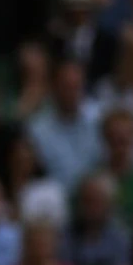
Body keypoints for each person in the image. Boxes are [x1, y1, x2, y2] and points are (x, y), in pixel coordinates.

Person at [26, 60, 102, 192]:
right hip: (57, 199)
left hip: (95, 195)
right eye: (66, 87)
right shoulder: (37, 129)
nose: (72, 93)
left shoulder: (99, 119)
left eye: (76, 87)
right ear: (54, 88)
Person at [63, 173, 131, 265]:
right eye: (87, 201)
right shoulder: (66, 236)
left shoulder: (119, 239)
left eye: (97, 202)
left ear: (109, 205)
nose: (91, 209)